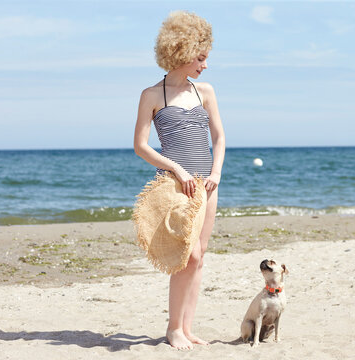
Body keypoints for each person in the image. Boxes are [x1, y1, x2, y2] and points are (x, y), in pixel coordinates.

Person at [133, 11, 225, 350]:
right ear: (183, 53)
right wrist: (179, 171)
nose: (204, 65)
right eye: (200, 58)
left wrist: (215, 173)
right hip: (176, 186)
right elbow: (140, 146)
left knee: (200, 257)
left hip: (208, 186)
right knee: (187, 255)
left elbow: (219, 137)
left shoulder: (206, 91)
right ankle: (173, 328)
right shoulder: (152, 95)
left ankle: (186, 328)